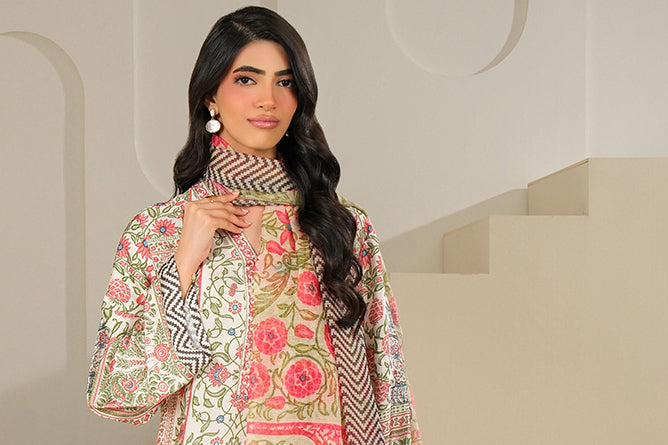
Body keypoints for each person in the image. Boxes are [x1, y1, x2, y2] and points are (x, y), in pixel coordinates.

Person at [87, 6, 421, 445]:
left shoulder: (342, 225)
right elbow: (113, 392)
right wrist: (182, 265)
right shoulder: (160, 230)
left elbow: (389, 381)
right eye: (246, 80)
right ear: (211, 96)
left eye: (285, 82)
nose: (268, 100)